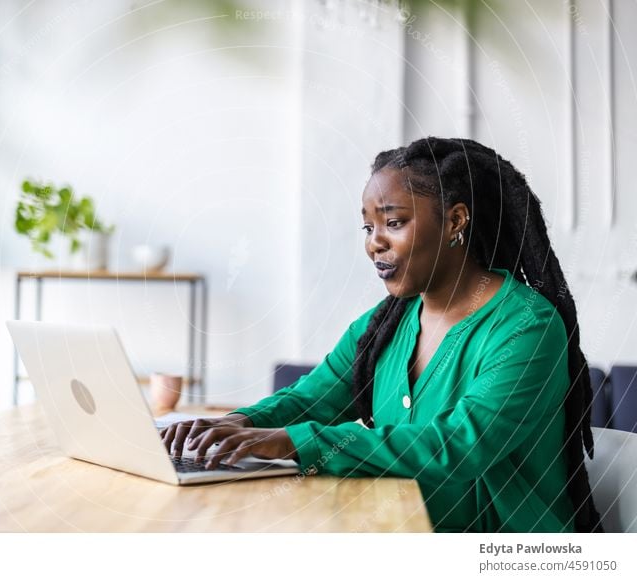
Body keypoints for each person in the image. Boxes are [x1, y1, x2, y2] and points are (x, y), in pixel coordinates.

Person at [160, 137, 602, 533]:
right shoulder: (386, 324)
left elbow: (460, 444)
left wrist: (298, 441)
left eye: (394, 222)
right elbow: (311, 397)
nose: (375, 242)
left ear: (455, 221)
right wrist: (237, 423)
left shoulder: (527, 326)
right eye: (368, 227)